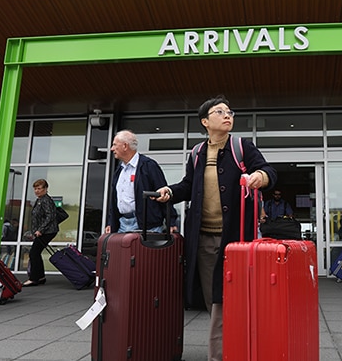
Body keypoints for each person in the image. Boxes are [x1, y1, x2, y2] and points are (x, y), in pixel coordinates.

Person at [157, 96, 276, 361]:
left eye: (229, 111)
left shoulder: (241, 147)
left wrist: (260, 176)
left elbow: (268, 171)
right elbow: (188, 186)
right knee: (215, 298)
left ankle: (224, 352)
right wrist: (169, 191)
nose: (227, 115)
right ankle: (231, 348)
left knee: (235, 296)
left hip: (236, 239)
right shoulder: (197, 152)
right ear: (205, 121)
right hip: (204, 239)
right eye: (219, 111)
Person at [106, 130, 177, 234]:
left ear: (125, 146)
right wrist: (111, 223)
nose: (112, 149)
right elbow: (114, 200)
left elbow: (162, 194)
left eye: (114, 145)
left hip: (147, 226)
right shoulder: (119, 170)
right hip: (122, 225)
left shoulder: (148, 166)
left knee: (145, 251)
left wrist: (171, 221)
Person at [22, 179, 59, 287]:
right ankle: (40, 277)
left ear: (45, 189)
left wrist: (40, 230)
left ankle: (34, 278)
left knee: (33, 253)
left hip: (47, 232)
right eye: (35, 188)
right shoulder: (39, 200)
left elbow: (50, 216)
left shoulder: (46, 200)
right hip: (42, 232)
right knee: (35, 253)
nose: (36, 191)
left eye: (39, 188)